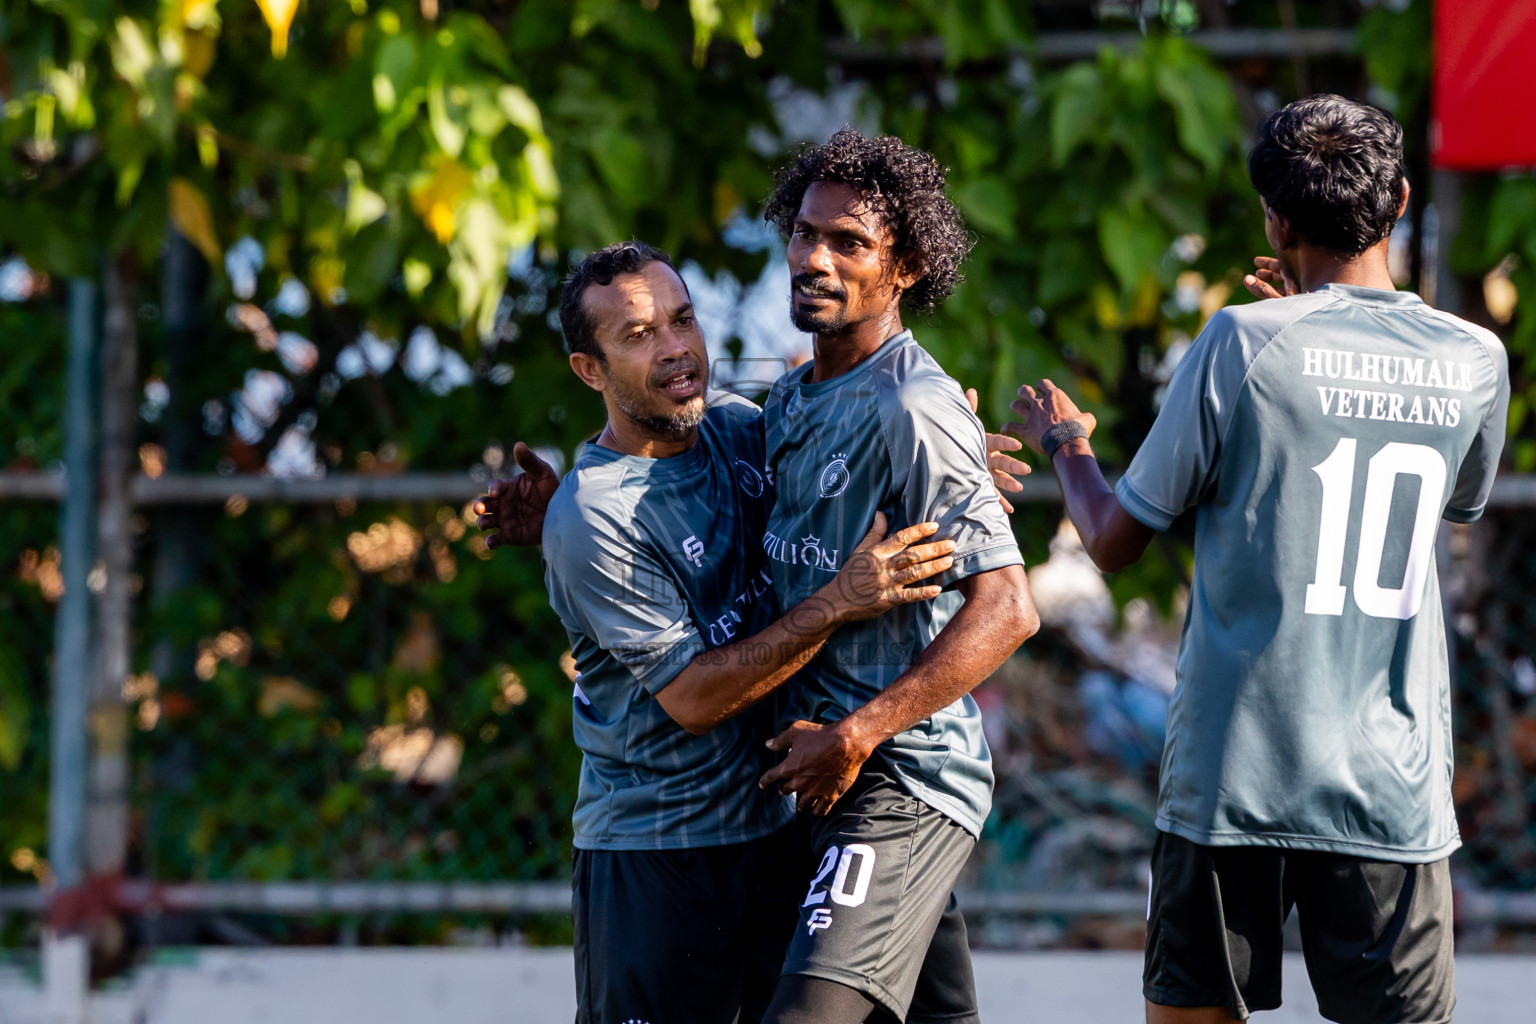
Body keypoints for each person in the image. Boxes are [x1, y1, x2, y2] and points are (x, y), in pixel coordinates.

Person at [1006, 95, 1509, 1024]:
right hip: (1390, 785)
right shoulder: (1475, 357)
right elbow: (1446, 494)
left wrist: (1069, 444)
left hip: (1234, 776)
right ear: (1401, 200)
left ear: (1276, 221)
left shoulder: (1241, 341)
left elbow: (1112, 541)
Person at [515, 240, 959, 1024]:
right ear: (590, 371)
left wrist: (948, 462)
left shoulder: (737, 427)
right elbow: (693, 697)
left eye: (681, 319)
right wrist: (839, 602)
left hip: (777, 835)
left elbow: (847, 479)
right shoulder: (593, 515)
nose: (675, 347)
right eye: (638, 335)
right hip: (658, 858)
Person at [752, 129, 1038, 1024]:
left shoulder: (915, 402)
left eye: (849, 243)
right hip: (813, 770)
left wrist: (859, 733)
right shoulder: (789, 398)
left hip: (897, 774)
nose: (815, 258)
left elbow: (1009, 608)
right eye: (805, 233)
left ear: (905, 267)